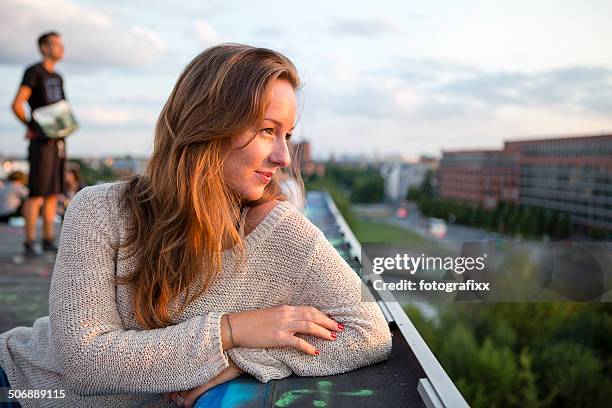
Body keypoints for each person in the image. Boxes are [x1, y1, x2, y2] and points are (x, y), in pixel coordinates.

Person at [0, 44, 392, 408]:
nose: (283, 157)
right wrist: (232, 331)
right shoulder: (99, 210)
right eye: (267, 130)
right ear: (208, 123)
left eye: (287, 135)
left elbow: (370, 334)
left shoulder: (285, 234)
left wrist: (245, 359)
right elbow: (84, 363)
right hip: (21, 386)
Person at [11, 31, 67, 258]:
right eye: (56, 44)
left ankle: (47, 239)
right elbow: (17, 104)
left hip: (58, 141)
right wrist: (31, 126)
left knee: (53, 191)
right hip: (41, 143)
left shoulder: (58, 76)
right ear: (44, 47)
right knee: (37, 192)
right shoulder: (34, 72)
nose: (61, 48)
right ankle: (29, 240)